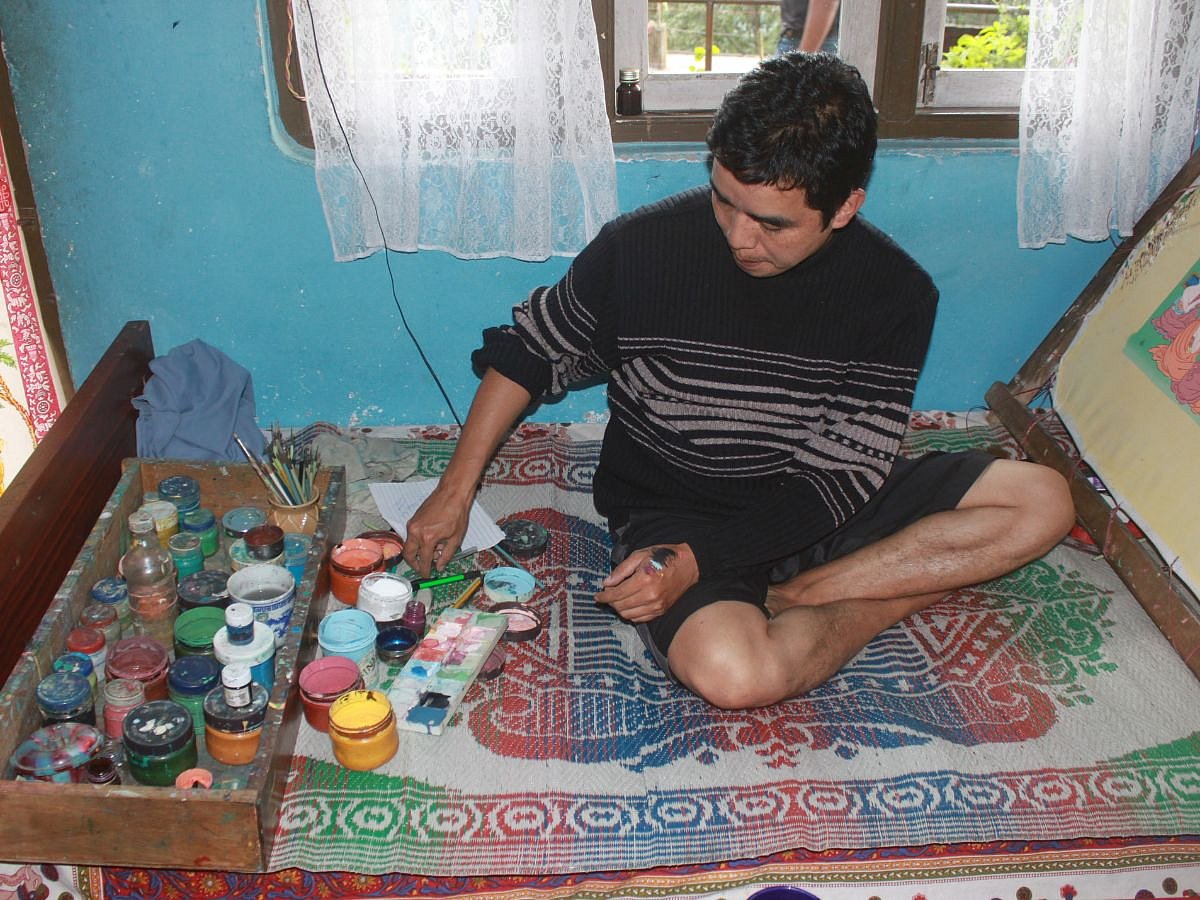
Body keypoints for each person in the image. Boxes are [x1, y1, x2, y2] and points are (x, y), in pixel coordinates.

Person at [402, 52, 1075, 710]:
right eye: (725, 202)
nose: (738, 238)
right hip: (678, 504)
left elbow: (844, 475)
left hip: (820, 496)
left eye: (772, 223)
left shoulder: (895, 293)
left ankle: (808, 593)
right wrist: (453, 492)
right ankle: (880, 589)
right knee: (734, 676)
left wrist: (710, 563)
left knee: (1044, 500)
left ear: (844, 207)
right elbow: (529, 351)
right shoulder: (642, 247)